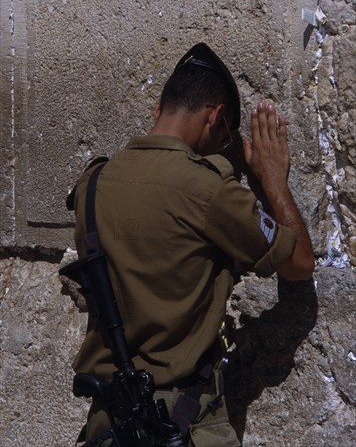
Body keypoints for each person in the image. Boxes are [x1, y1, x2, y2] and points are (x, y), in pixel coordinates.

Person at [71, 43, 315, 446]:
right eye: (224, 139)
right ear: (215, 117)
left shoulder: (91, 186)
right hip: (183, 423)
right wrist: (273, 181)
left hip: (108, 423)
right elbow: (300, 262)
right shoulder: (208, 190)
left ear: (158, 108)